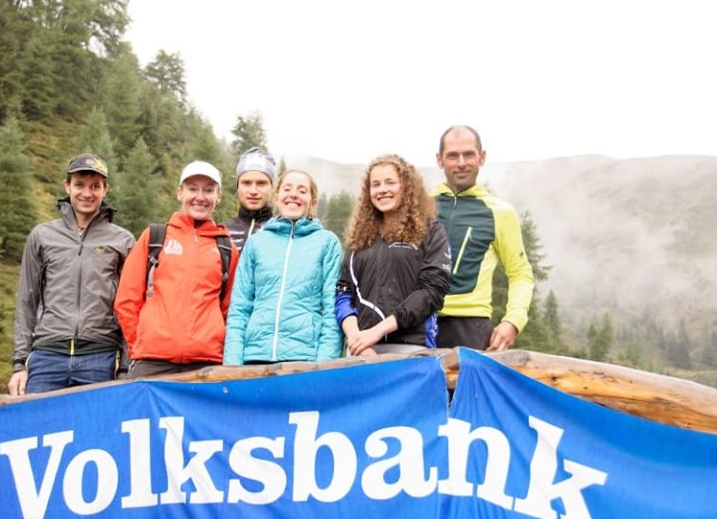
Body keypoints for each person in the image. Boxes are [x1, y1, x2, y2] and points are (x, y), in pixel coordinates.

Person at [9, 153, 135, 395]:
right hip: (46, 357)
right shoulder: (42, 236)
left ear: (105, 190)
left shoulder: (123, 240)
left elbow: (131, 307)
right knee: (37, 417)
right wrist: (19, 364)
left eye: (95, 186)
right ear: (67, 186)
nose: (87, 193)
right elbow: (27, 301)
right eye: (79, 185)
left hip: (100, 358)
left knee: (97, 420)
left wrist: (125, 367)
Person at [115, 161, 240, 378]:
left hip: (207, 364)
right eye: (192, 189)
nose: (200, 197)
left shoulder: (226, 248)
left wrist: (216, 344)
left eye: (208, 190)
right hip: (152, 361)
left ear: (218, 196)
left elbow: (230, 309)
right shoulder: (154, 237)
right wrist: (140, 344)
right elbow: (127, 299)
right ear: (180, 193)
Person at [335, 154, 451, 355]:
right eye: (376, 184)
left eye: (390, 182)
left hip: (413, 347)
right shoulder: (359, 237)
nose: (382, 190)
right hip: (363, 350)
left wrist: (377, 331)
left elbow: (432, 291)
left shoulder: (431, 231)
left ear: (406, 186)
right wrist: (357, 341)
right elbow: (344, 292)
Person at [224, 170, 343, 364]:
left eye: (302, 191)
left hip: (304, 360)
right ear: (277, 197)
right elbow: (239, 307)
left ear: (313, 202)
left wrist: (325, 366)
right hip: (254, 358)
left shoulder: (327, 243)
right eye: (287, 189)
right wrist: (232, 364)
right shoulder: (256, 243)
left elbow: (331, 310)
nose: (293, 194)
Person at [434, 125, 534, 351]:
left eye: (468, 154)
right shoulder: (419, 207)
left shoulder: (500, 212)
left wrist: (513, 321)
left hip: (471, 327)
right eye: (453, 155)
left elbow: (520, 273)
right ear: (440, 160)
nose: (461, 163)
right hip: (418, 323)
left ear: (482, 157)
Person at [223, 147, 277, 250]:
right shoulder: (221, 231)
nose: (253, 191)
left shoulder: (284, 231)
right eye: (246, 183)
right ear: (237, 187)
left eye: (261, 183)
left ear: (272, 187)